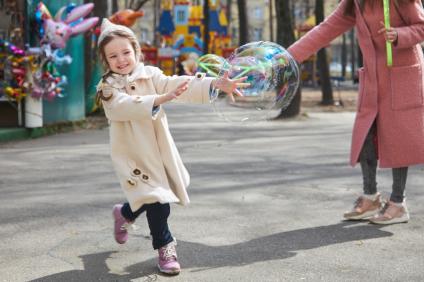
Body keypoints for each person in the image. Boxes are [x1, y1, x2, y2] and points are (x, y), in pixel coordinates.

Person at [96, 19, 246, 275]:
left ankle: (124, 212)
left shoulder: (151, 75)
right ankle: (165, 248)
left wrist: (214, 84)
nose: (121, 60)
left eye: (126, 52)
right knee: (158, 200)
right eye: (113, 56)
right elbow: (121, 107)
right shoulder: (107, 88)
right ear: (106, 60)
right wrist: (157, 100)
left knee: (152, 194)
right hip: (133, 156)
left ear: (136, 52)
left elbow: (178, 84)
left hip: (158, 150)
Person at [286, 0, 424, 224]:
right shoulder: (356, 2)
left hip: (402, 75)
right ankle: (370, 197)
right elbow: (326, 29)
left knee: (399, 138)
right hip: (373, 77)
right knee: (365, 134)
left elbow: (421, 26)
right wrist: (289, 56)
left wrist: (400, 34)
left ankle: (398, 204)